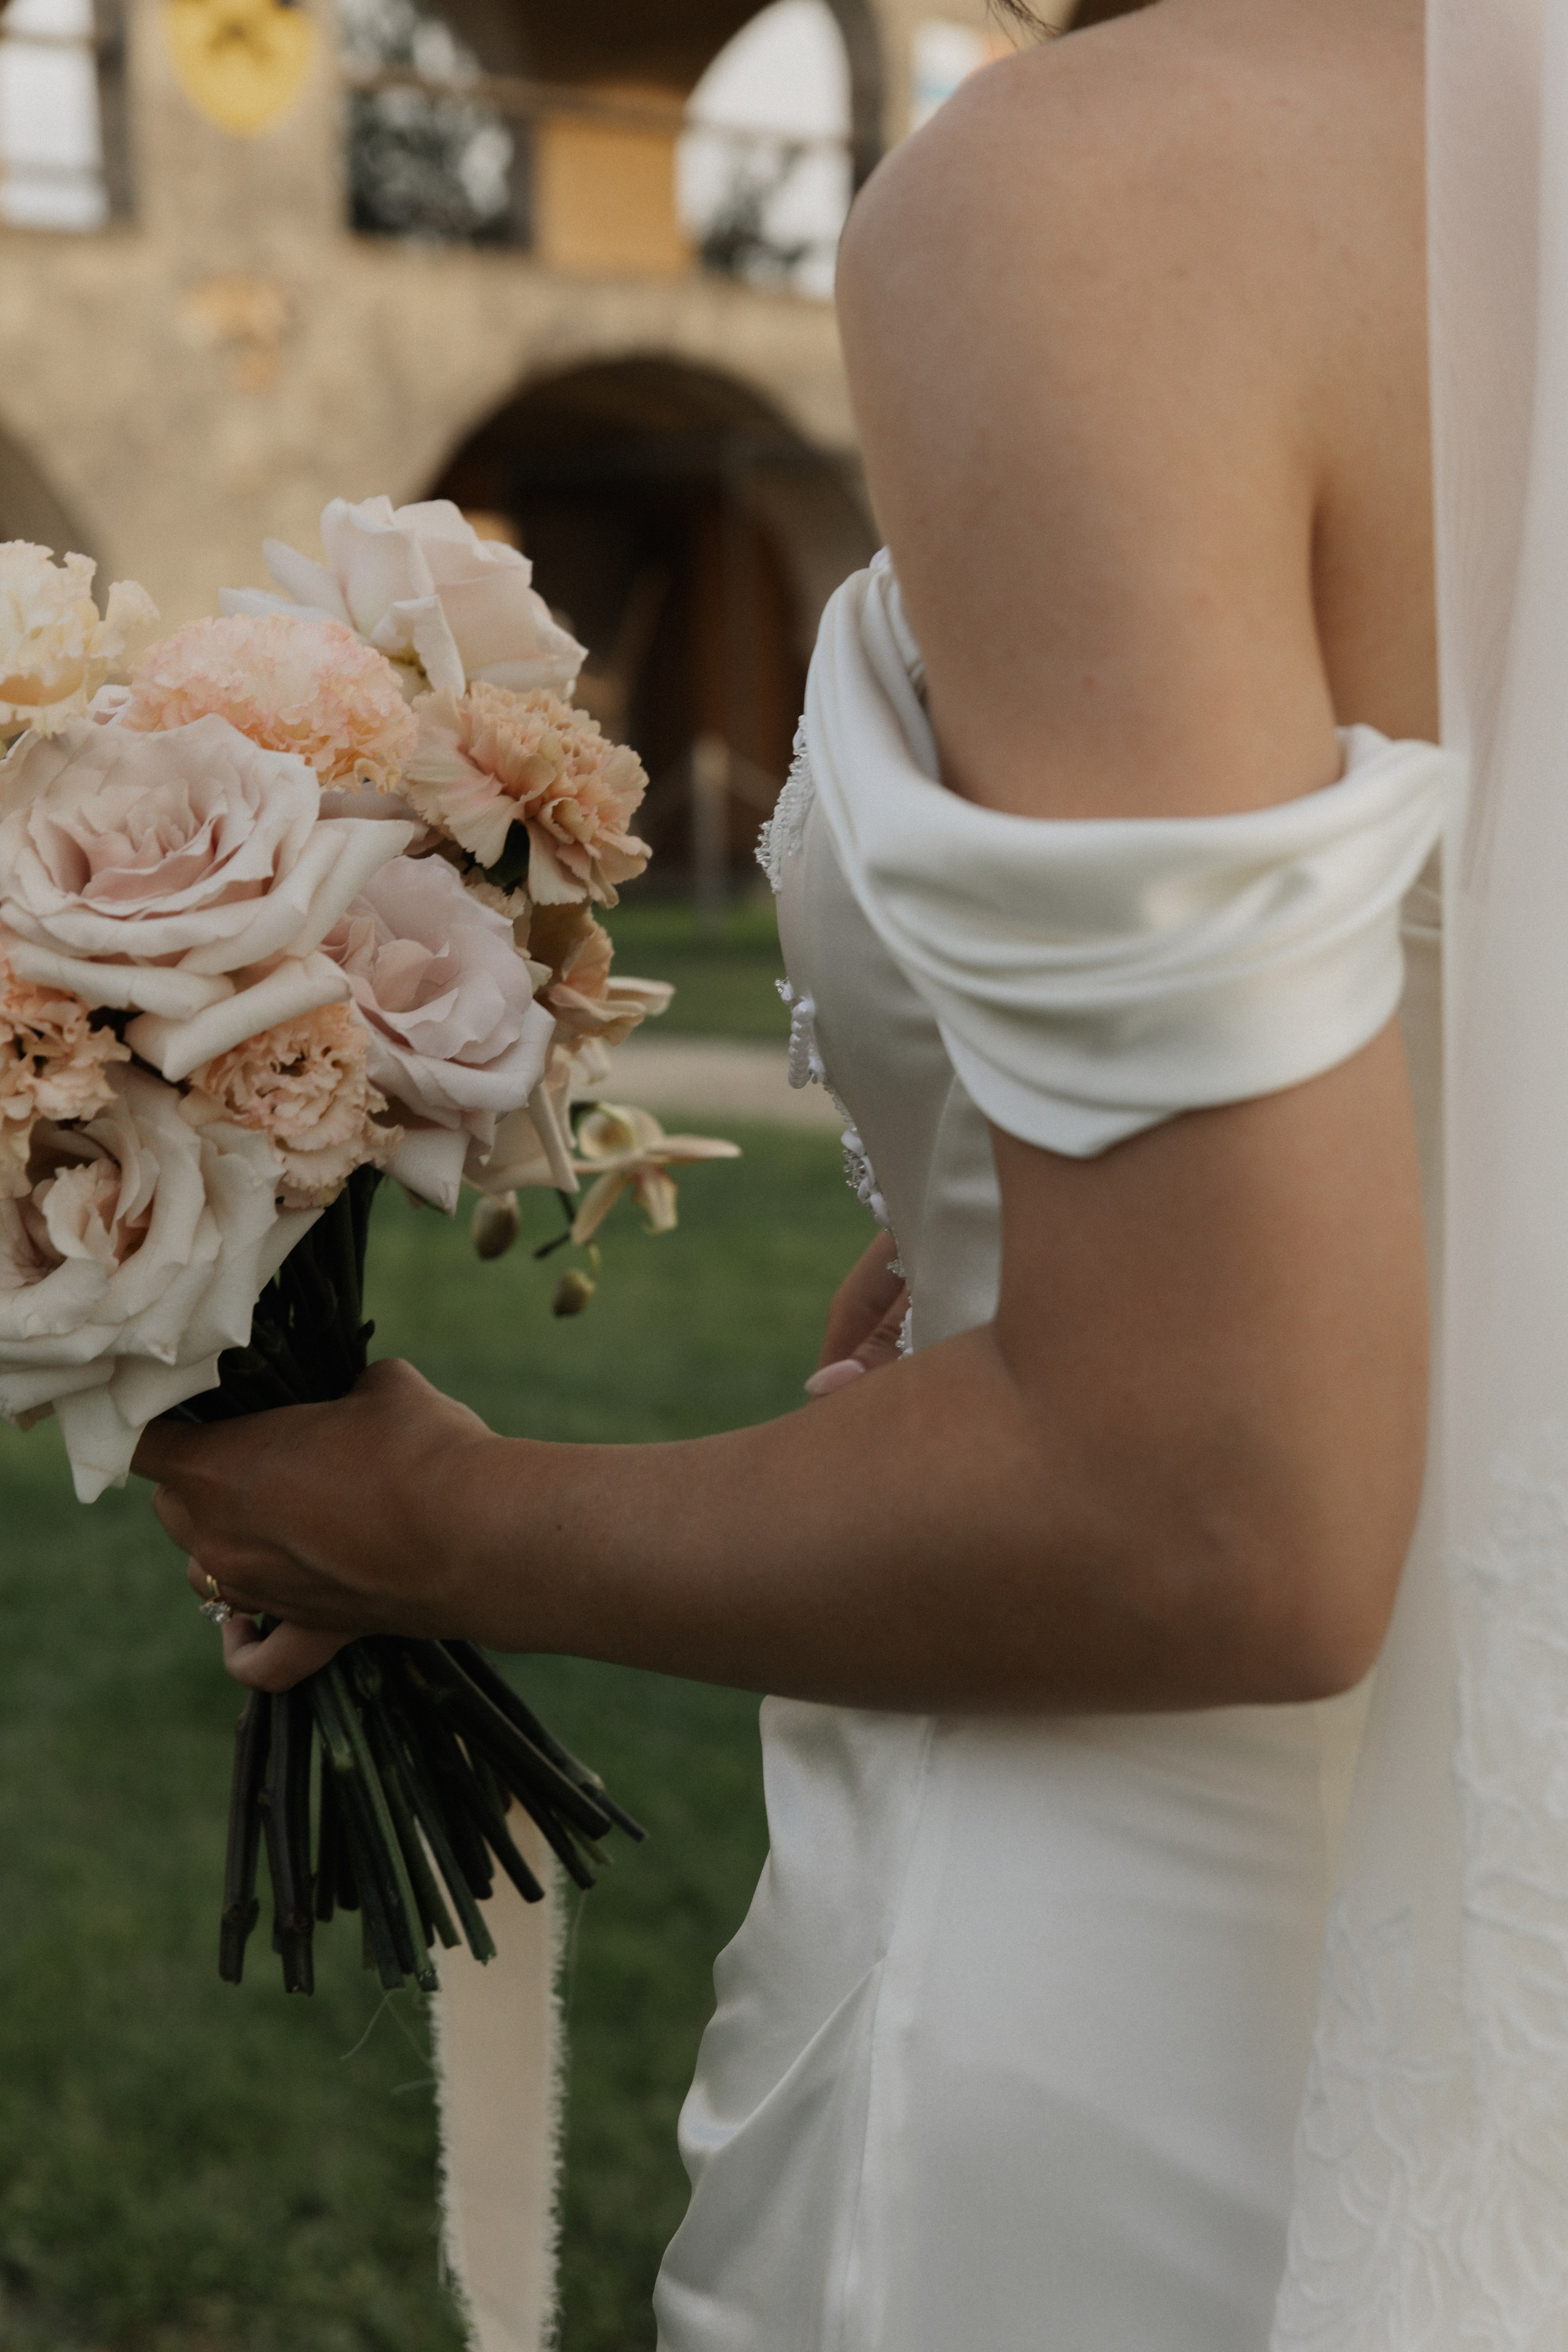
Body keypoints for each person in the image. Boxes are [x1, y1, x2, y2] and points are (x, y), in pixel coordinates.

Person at [135, 0, 1452, 2343]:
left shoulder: (1108, 188)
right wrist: (1036, 1196)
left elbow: (1212, 1517)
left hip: (1194, 1991)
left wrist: (419, 1523)